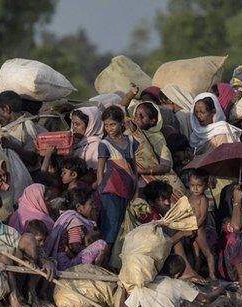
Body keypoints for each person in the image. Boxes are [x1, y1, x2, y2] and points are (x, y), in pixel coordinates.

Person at [96, 106, 139, 245]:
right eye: (106, 125)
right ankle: (105, 259)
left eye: (113, 124)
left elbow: (134, 167)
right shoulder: (104, 144)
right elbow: (100, 170)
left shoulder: (131, 141)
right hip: (111, 190)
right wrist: (101, 191)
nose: (109, 128)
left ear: (122, 123)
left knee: (124, 225)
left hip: (128, 188)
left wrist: (136, 189)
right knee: (112, 227)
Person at [130, 102, 184, 199]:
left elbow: (166, 166)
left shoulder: (157, 139)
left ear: (152, 121)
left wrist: (144, 171)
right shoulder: (131, 134)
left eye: (142, 116)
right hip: (137, 181)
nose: (137, 118)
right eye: (136, 115)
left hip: (155, 182)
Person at [46, 187, 97, 268]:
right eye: (90, 204)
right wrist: (89, 250)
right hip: (66, 263)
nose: (94, 206)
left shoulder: (69, 217)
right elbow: (75, 246)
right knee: (101, 244)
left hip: (62, 260)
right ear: (79, 207)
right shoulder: (75, 220)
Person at [187, 170, 217, 279]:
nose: (195, 188)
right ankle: (196, 273)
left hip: (199, 230)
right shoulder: (190, 197)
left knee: (207, 252)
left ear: (205, 186)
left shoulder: (203, 198)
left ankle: (212, 275)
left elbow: (203, 216)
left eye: (199, 186)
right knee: (196, 254)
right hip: (191, 229)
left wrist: (195, 228)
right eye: (192, 185)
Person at [70, 106, 103, 171]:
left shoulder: (96, 147)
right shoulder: (76, 143)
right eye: (73, 124)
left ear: (90, 125)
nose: (73, 128)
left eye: (77, 124)